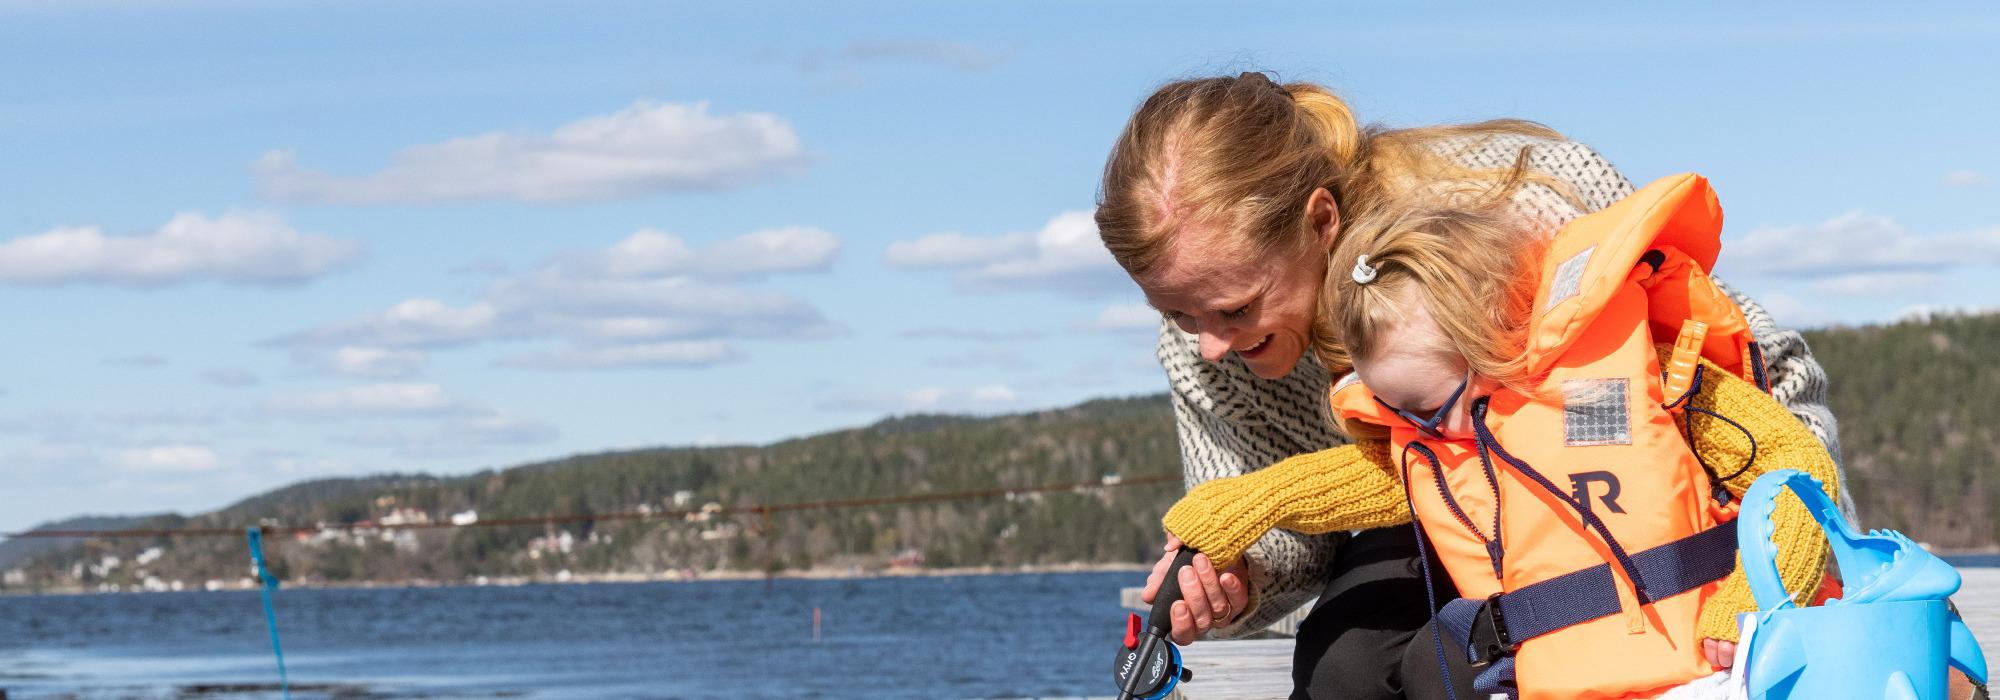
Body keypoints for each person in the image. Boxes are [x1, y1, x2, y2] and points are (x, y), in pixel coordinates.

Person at [1094, 72, 1845, 699]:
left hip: (1617, 490)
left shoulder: (1506, 204)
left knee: (1453, 666)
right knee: (1342, 668)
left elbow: (1767, 374)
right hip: (1428, 497)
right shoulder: (1200, 345)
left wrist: (1785, 561)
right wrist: (1242, 576)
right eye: (1177, 312)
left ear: (1321, 220)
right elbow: (1294, 542)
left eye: (1236, 308)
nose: (1211, 345)